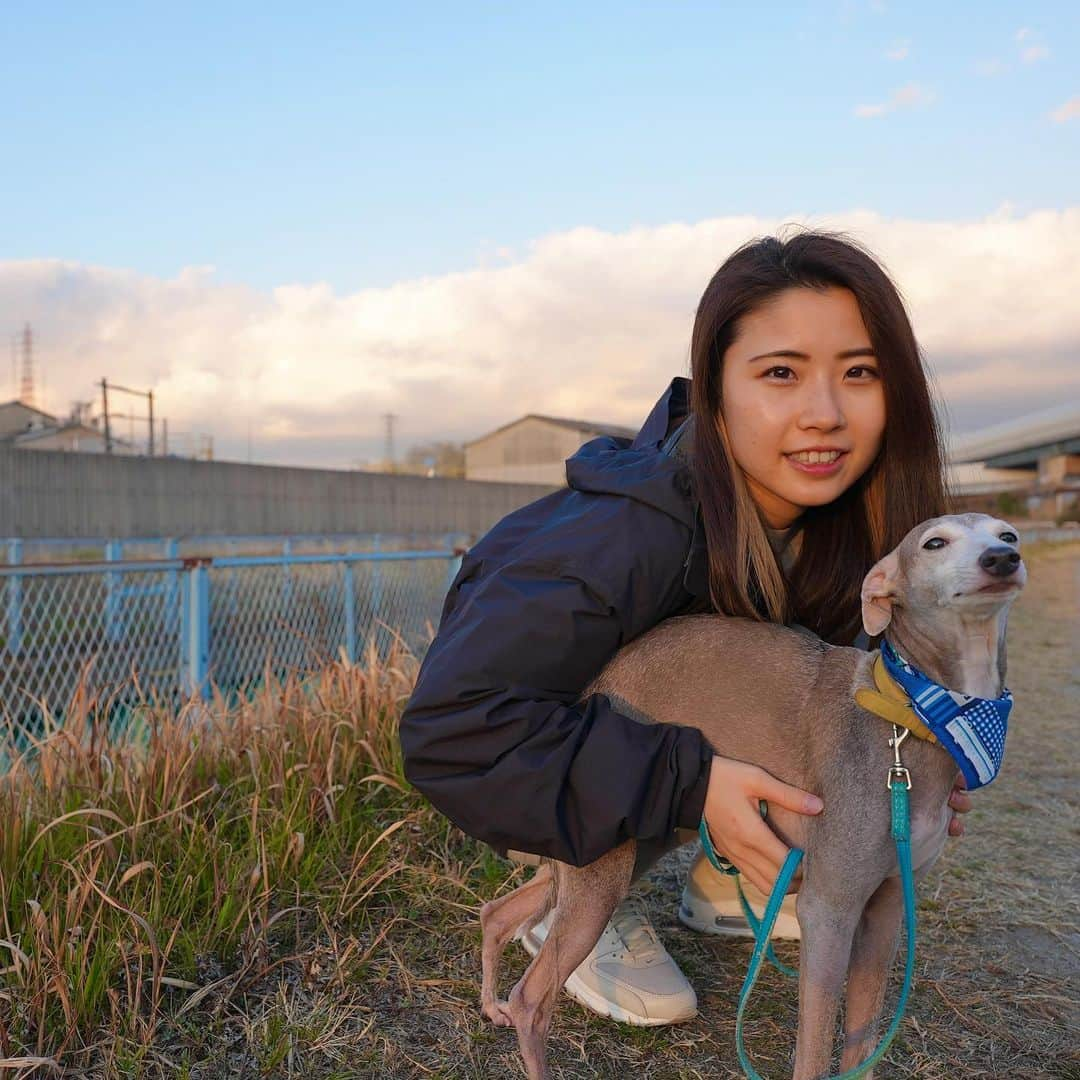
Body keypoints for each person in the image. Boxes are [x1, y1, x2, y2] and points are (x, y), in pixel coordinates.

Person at [398, 229, 972, 1026]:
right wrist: (692, 781)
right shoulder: (623, 540)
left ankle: (723, 872)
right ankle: (586, 893)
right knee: (637, 740)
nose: (825, 413)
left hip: (686, 732)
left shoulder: (859, 530)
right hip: (538, 736)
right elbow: (454, 731)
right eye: (780, 373)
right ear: (715, 388)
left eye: (861, 373)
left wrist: (909, 756)